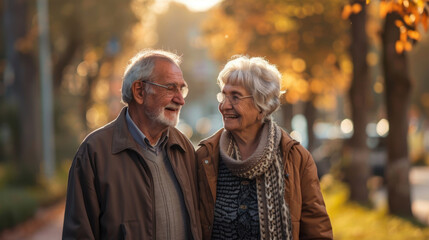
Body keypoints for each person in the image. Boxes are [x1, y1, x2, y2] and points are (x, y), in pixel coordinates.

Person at [62, 49, 201, 240]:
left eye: (181, 88)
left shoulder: (183, 147)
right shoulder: (95, 152)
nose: (180, 99)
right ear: (139, 91)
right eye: (170, 88)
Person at [196, 56, 333, 240]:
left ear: (261, 105)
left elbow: (317, 231)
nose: (224, 106)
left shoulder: (295, 157)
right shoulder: (206, 157)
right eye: (223, 95)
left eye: (235, 97)